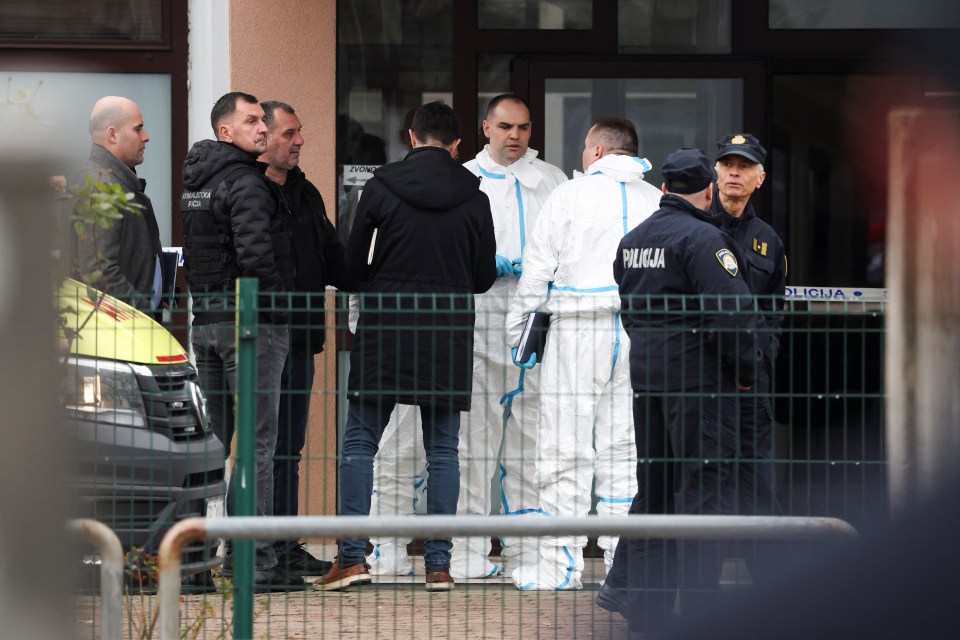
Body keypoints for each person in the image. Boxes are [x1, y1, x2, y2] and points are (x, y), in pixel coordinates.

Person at [367, 94, 569, 579]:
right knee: (460, 446)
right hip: (469, 325)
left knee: (527, 446)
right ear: (484, 128)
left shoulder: (551, 182)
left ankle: (522, 556)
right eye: (505, 126)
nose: (515, 136)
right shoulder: (464, 182)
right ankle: (452, 552)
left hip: (533, 331)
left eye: (523, 127)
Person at [316, 101, 497, 592]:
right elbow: (482, 278)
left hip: (387, 326)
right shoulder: (475, 196)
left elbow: (351, 268)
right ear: (457, 145)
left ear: (411, 138)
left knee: (359, 444)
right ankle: (438, 565)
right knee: (443, 452)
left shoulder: (380, 188)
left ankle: (352, 558)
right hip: (447, 329)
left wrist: (384, 281)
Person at [600, 148, 763, 635]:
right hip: (699, 389)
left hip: (648, 383)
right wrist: (746, 369)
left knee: (653, 497)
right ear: (708, 191)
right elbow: (734, 318)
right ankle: (698, 616)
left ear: (665, 189)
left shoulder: (633, 241)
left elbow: (631, 309)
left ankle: (646, 617)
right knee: (701, 500)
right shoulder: (704, 239)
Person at [504, 116, 662, 590]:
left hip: (577, 327)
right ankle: (622, 565)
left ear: (596, 151)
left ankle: (560, 565)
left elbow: (537, 268)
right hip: (638, 332)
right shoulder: (656, 200)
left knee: (563, 448)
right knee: (625, 453)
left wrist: (519, 333)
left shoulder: (570, 196)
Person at [180, 91, 298, 592]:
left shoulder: (195, 185)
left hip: (203, 322)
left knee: (208, 448)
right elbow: (255, 259)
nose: (262, 130)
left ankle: (195, 562)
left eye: (261, 122)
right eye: (251, 121)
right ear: (225, 131)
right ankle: (255, 564)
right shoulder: (246, 182)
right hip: (246, 325)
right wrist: (281, 306)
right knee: (257, 447)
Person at [260, 100, 358, 579]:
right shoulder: (248, 191)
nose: (299, 141)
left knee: (290, 448)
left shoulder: (307, 193)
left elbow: (334, 258)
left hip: (300, 339)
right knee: (259, 447)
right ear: (264, 137)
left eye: (300, 133)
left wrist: (376, 277)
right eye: (290, 133)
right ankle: (259, 550)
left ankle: (285, 543)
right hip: (257, 339)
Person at [712, 132, 787, 581]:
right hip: (704, 377)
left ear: (760, 178)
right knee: (706, 475)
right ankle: (704, 569)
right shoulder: (697, 226)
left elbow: (774, 312)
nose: (734, 173)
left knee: (756, 477)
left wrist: (763, 358)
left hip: (750, 383)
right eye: (727, 165)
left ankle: (767, 577)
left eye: (743, 167)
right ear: (715, 173)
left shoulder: (768, 241)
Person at [69, 96, 164, 313]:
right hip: (121, 334)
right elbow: (100, 273)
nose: (146, 137)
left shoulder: (106, 180)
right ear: (112, 134)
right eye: (138, 129)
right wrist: (144, 310)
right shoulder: (103, 187)